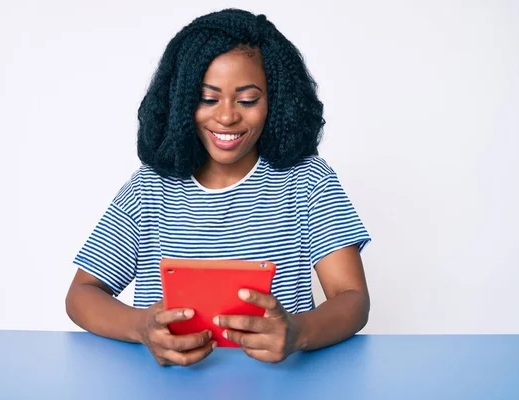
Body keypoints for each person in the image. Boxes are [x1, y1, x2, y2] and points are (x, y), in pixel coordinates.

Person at [66, 8, 371, 367]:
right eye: (208, 99)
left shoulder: (307, 181)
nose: (227, 116)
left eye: (247, 100)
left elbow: (352, 297)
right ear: (181, 102)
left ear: (276, 101)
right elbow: (81, 295)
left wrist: (297, 331)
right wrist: (141, 326)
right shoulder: (149, 190)